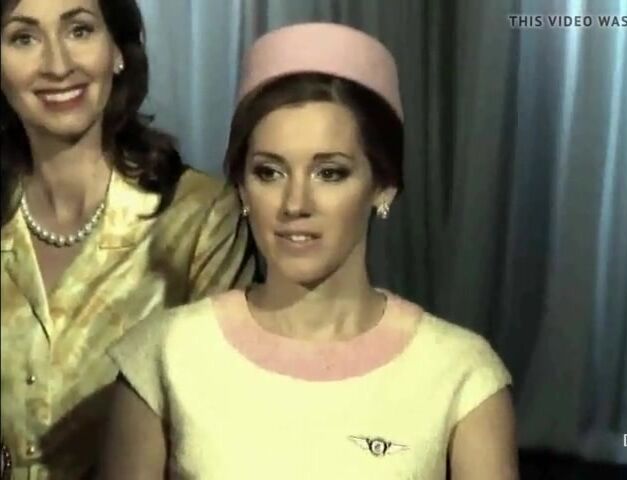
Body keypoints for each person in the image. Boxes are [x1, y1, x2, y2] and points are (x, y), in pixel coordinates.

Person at [100, 22, 519, 479]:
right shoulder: (166, 355)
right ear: (241, 187)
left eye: (329, 173)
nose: (295, 204)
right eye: (269, 173)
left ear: (383, 186)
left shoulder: (460, 374)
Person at [0, 0, 254, 478]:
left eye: (79, 30)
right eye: (23, 38)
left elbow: (219, 435)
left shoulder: (199, 218)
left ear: (117, 50)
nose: (57, 64)